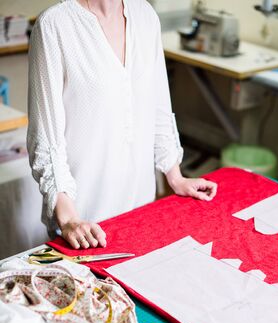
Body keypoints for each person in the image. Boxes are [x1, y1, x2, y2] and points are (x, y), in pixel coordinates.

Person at [27, 0, 217, 250]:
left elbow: (158, 103)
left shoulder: (146, 16)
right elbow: (46, 136)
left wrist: (176, 176)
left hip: (140, 209)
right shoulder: (55, 25)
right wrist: (69, 218)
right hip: (84, 221)